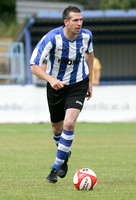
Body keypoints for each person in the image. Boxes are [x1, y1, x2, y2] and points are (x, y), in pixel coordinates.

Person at [30, 5, 94, 184]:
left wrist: (89, 81)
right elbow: (34, 65)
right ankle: (65, 153)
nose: (79, 23)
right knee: (57, 129)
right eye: (75, 20)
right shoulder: (52, 38)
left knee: (69, 123)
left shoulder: (87, 36)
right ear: (66, 22)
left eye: (81, 20)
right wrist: (51, 80)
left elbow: (90, 54)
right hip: (56, 86)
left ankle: (55, 168)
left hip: (78, 84)